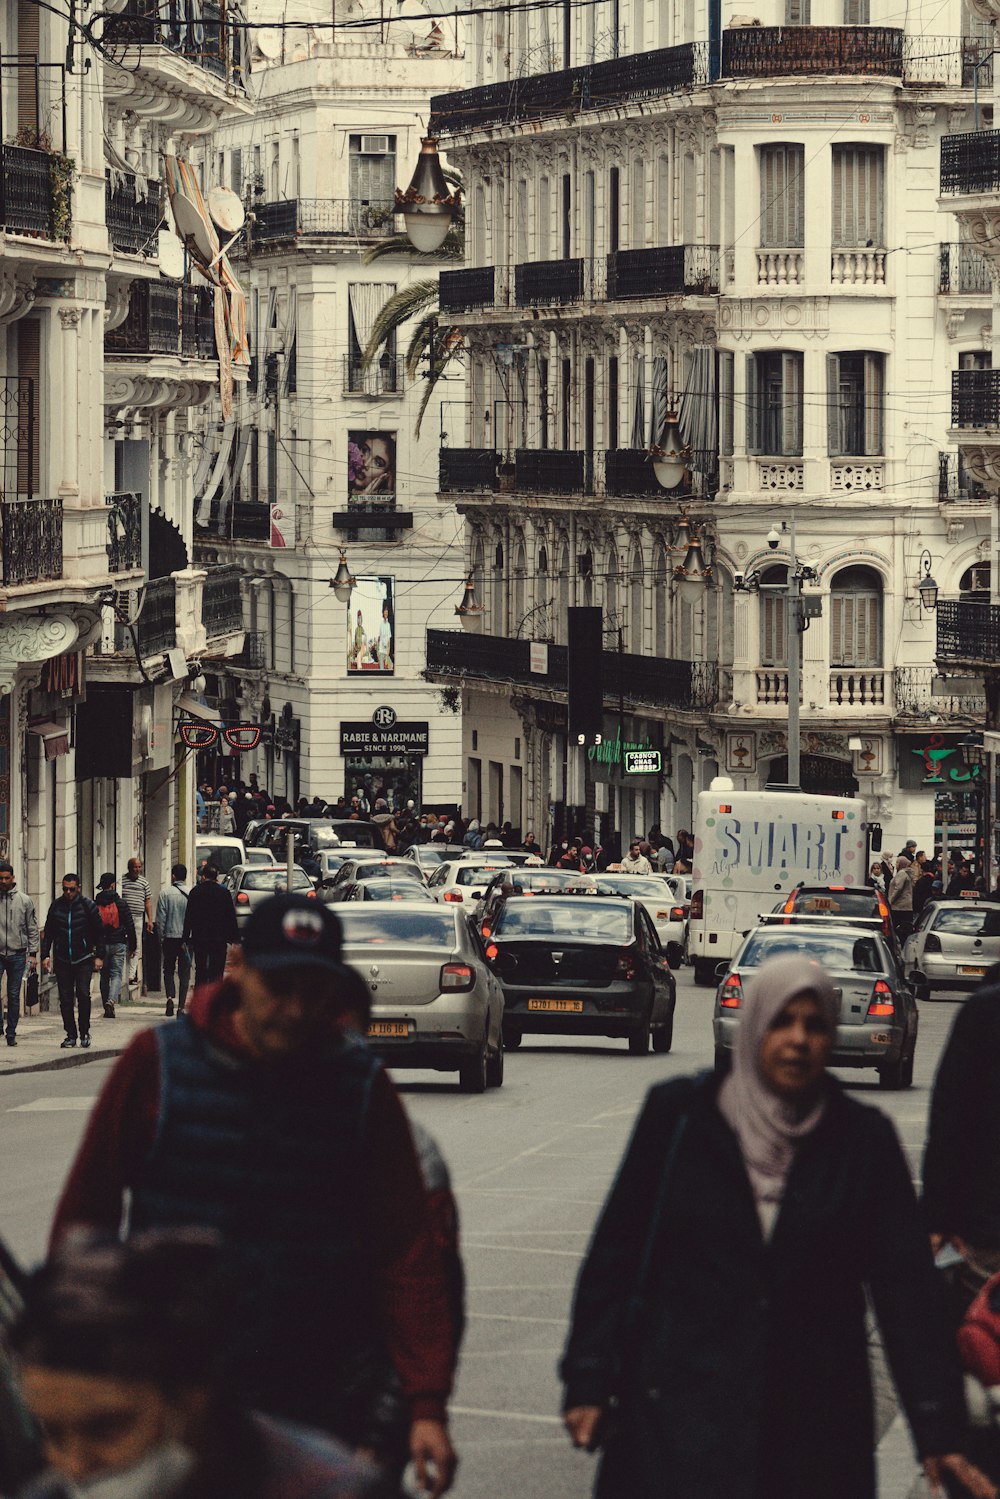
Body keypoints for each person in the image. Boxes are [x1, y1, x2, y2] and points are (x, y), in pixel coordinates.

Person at [51, 894, 459, 1499]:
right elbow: (86, 1221)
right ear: (240, 971)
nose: (295, 1010)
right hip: (176, 1386)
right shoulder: (158, 1063)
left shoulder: (361, 1088)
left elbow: (406, 1253)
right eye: (279, 987)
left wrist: (424, 1405)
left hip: (317, 1390)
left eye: (314, 991)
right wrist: (74, 1371)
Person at [560, 955, 995, 1499]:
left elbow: (907, 1295)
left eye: (814, 1026)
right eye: (781, 1022)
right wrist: (589, 1379)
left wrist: (938, 1429)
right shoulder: (680, 1118)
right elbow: (615, 1257)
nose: (797, 1040)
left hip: (812, 1435)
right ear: (754, 1027)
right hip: (680, 1412)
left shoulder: (862, 1141)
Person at [11, 1228, 390, 1499]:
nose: (74, 1466)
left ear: (194, 1394)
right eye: (53, 1433)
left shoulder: (336, 1489)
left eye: (107, 1428)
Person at [41, 874, 105, 1051]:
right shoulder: (56, 906)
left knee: (83, 995)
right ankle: (70, 1034)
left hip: (83, 958)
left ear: (79, 887)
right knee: (66, 999)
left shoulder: (87, 905)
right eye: (65, 889)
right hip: (62, 959)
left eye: (71, 889)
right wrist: (45, 955)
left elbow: (100, 932)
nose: (68, 892)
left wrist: (99, 955)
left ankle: (84, 1032)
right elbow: (49, 933)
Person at [0, 861, 38, 1047]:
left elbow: (32, 928)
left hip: (18, 954)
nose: (4, 881)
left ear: (13, 878)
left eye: (7, 878)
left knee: (14, 995)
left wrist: (33, 954)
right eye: (1, 878)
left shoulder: (24, 900)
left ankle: (11, 1032)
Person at [182, 863, 238, 988]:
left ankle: (201, 998)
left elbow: (189, 916)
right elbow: (230, 916)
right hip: (219, 937)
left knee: (200, 969)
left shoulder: (195, 892)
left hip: (200, 937)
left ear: (203, 876)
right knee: (217, 970)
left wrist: (185, 936)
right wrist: (233, 937)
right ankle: (215, 999)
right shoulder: (224, 892)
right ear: (216, 876)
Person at [94, 873, 137, 1020]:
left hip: (101, 944)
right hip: (118, 943)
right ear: (113, 885)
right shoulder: (121, 903)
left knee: (104, 975)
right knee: (116, 974)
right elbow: (130, 925)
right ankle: (111, 1001)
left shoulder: (96, 903)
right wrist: (133, 945)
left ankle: (106, 1003)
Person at [156, 863, 192, 1018]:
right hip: (186, 939)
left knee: (168, 969)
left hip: (169, 937)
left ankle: (170, 997)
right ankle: (181, 1007)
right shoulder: (191, 894)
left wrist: (161, 937)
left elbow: (160, 919)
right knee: (185, 973)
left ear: (173, 876)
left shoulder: (165, 894)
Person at [121, 858, 153, 994]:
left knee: (137, 945)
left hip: (138, 917)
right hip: (124, 917)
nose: (137, 869)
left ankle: (131, 974)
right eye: (135, 867)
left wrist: (150, 920)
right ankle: (123, 972)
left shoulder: (144, 882)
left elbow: (148, 902)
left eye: (139, 867)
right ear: (129, 868)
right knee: (125, 943)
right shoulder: (122, 880)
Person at [888, 853, 916, 943]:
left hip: (898, 906)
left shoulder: (902, 873)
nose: (896, 864)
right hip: (906, 906)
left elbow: (898, 888)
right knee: (905, 928)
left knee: (893, 927)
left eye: (897, 862)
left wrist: (890, 900)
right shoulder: (907, 873)